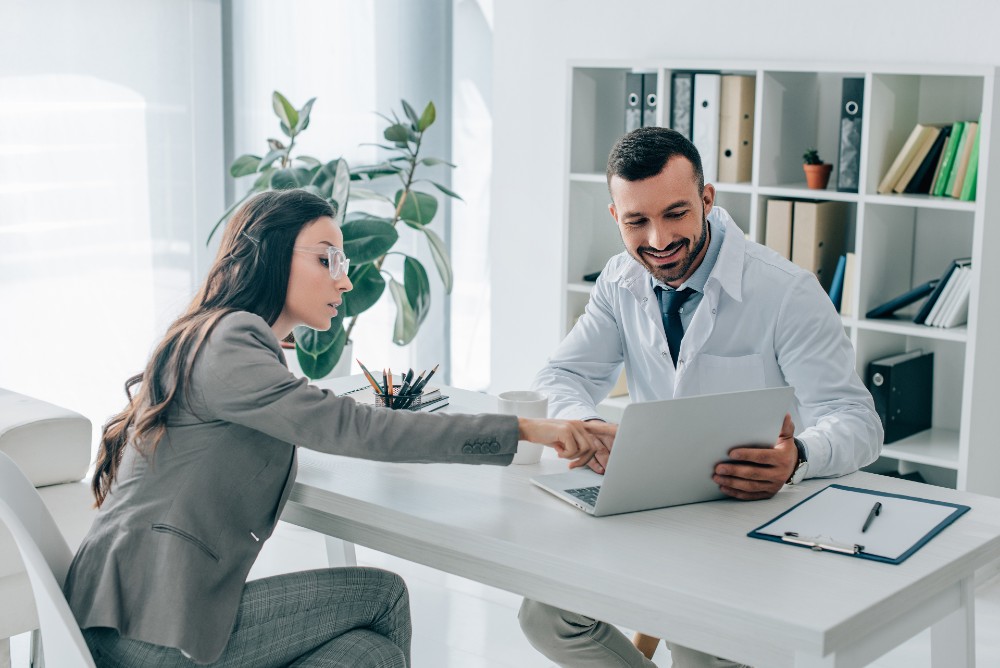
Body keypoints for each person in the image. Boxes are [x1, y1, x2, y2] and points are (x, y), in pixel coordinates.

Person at [64, 188, 610, 668]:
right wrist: (524, 429)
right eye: (327, 259)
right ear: (273, 255)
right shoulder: (231, 340)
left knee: (369, 656)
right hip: (148, 627)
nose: (344, 280)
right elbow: (355, 427)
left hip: (138, 613)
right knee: (382, 595)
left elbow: (307, 422)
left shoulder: (217, 337)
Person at [517, 127, 883, 668]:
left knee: (699, 647)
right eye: (637, 221)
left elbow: (857, 420)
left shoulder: (786, 292)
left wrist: (798, 456)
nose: (659, 239)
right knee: (545, 615)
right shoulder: (620, 281)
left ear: (707, 200)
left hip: (749, 517)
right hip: (652, 508)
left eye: (676, 214)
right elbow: (561, 376)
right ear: (615, 216)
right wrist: (584, 424)